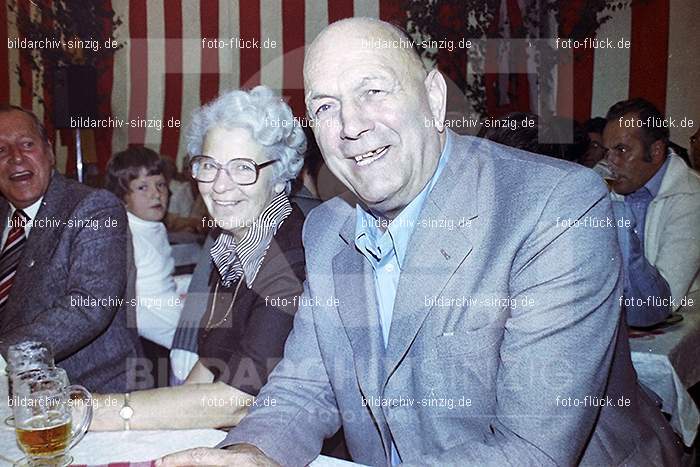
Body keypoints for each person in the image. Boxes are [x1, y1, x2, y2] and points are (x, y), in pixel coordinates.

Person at [160, 18, 682, 466]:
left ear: (433, 99)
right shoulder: (326, 230)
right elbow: (302, 388)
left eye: (374, 91)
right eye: (325, 107)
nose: (350, 126)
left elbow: (531, 450)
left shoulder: (555, 206)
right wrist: (254, 454)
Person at [90, 85, 308, 431]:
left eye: (242, 168)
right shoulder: (231, 244)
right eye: (209, 166)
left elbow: (237, 402)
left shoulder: (290, 258)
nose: (219, 186)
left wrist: (101, 413)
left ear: (280, 175)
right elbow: (211, 360)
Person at [0, 105, 142, 393]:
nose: (16, 158)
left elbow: (89, 304)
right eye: (1, 151)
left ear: (50, 152)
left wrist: (3, 358)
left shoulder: (93, 208)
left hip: (91, 396)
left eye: (27, 145)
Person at [603, 98, 700, 327]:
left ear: (656, 151)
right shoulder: (608, 189)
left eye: (622, 150)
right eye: (608, 151)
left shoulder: (692, 196)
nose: (611, 162)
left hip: (682, 333)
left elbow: (664, 301)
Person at [105, 147, 184, 350]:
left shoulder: (154, 226)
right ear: (123, 197)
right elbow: (131, 310)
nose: (156, 194)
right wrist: (181, 339)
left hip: (176, 315)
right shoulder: (127, 237)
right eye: (142, 187)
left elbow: (158, 280)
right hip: (167, 336)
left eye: (160, 185)